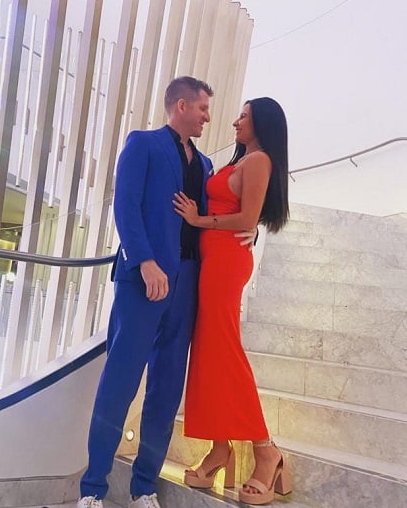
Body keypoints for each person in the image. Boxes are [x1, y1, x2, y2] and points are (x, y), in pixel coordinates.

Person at [77, 76, 254, 508]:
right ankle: (93, 490)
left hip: (189, 283)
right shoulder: (143, 144)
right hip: (144, 280)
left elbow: (214, 215)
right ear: (181, 105)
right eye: (203, 108)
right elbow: (125, 205)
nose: (208, 117)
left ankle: (144, 488)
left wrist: (249, 231)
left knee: (167, 389)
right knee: (120, 381)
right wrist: (145, 260)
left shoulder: (206, 165)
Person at [172, 97, 291, 506]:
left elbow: (246, 219)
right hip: (213, 261)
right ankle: (220, 448)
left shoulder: (259, 161)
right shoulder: (241, 160)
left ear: (262, 124)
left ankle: (265, 450)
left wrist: (198, 220)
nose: (236, 121)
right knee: (209, 351)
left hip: (226, 263)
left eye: (244, 116)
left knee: (224, 349)